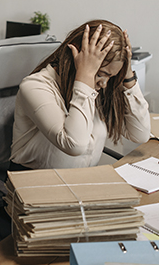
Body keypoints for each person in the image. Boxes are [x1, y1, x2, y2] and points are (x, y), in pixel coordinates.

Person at [10, 19, 151, 170]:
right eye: (101, 74)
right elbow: (74, 145)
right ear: (76, 58)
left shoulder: (99, 88)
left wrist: (127, 73)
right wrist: (85, 75)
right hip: (35, 185)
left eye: (111, 76)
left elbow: (140, 134)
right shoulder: (35, 86)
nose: (104, 83)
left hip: (80, 183)